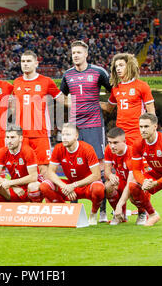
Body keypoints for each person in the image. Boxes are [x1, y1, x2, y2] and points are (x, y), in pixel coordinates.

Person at [60, 40, 112, 222]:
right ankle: (74, 208)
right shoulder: (67, 75)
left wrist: (105, 106)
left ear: (86, 55)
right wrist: (73, 104)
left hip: (94, 123)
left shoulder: (98, 72)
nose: (75, 55)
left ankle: (103, 211)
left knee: (99, 166)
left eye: (79, 52)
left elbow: (114, 92)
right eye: (73, 52)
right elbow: (61, 97)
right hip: (74, 125)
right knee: (73, 163)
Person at [40, 123, 105, 225]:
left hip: (86, 186)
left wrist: (73, 185)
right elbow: (50, 172)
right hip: (69, 185)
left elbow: (96, 175)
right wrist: (65, 186)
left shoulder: (87, 148)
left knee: (99, 188)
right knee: (44, 186)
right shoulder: (58, 148)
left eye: (68, 135)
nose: (64, 137)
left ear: (76, 136)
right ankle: (66, 212)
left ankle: (93, 213)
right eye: (63, 134)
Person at [12, 50, 63, 178]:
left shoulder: (46, 81)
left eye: (28, 61)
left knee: (44, 169)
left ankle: (49, 197)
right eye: (23, 61)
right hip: (21, 135)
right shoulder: (16, 82)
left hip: (40, 132)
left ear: (36, 63)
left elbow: (62, 99)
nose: (25, 64)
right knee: (22, 169)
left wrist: (85, 103)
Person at [103, 53, 155, 146]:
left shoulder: (142, 86)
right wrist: (91, 101)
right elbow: (108, 108)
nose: (118, 68)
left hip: (137, 133)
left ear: (129, 66)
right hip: (120, 135)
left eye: (121, 65)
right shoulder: (116, 88)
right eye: (116, 66)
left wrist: (151, 132)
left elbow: (151, 113)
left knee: (137, 160)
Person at [0, 124, 42, 203]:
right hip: (14, 187)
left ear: (21, 138)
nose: (9, 141)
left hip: (30, 188)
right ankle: (4, 210)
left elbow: (33, 177)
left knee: (33, 186)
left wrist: (11, 183)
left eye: (12, 137)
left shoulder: (28, 151)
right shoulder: (2, 151)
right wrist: (13, 186)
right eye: (7, 137)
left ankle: (35, 210)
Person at [103, 127, 147, 225]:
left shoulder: (132, 153)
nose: (112, 146)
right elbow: (107, 170)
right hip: (122, 181)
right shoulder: (108, 150)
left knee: (132, 189)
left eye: (115, 143)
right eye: (109, 142)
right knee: (108, 186)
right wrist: (110, 175)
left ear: (124, 141)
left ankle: (142, 212)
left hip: (138, 185)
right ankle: (120, 215)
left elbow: (130, 181)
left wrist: (119, 204)